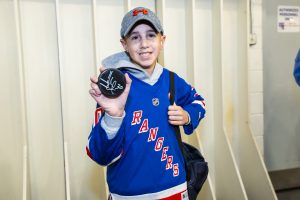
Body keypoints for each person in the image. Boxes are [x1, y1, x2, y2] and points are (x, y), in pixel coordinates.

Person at [87, 7, 206, 200]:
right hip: (127, 195)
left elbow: (199, 102)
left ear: (162, 41)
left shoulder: (172, 81)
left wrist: (187, 115)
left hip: (174, 190)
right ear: (124, 44)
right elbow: (100, 155)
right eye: (135, 37)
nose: (144, 44)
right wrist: (113, 116)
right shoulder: (113, 87)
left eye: (151, 35)